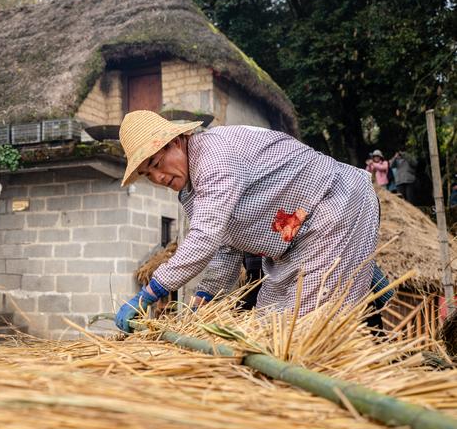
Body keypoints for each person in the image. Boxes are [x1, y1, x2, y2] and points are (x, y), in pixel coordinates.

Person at [114, 111, 380, 332]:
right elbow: (225, 245)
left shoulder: (212, 156)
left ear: (178, 140)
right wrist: (207, 296)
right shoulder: (190, 192)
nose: (158, 177)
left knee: (307, 328)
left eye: (157, 162)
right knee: (269, 322)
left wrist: (149, 294)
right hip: (294, 240)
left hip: (334, 205)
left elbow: (204, 238)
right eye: (148, 173)